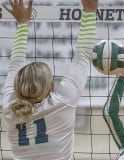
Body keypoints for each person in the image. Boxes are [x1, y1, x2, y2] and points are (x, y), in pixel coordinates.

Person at [2, 0, 98, 159]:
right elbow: (82, 56)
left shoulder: (9, 108)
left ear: (18, 86)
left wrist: (22, 24)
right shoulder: (61, 102)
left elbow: (14, 66)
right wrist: (90, 10)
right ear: (49, 87)